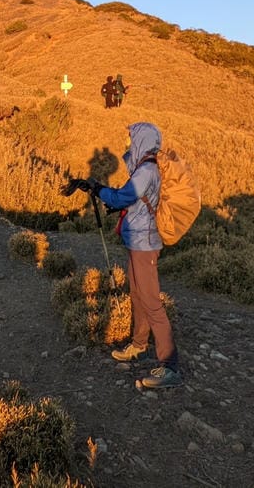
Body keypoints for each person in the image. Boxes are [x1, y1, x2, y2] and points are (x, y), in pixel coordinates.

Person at [98, 121, 181, 389]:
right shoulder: (144, 168)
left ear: (142, 140)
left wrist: (99, 190)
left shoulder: (146, 170)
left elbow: (124, 197)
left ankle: (170, 366)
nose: (128, 143)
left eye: (131, 138)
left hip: (145, 244)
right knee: (137, 294)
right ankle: (138, 344)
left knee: (151, 302)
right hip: (138, 240)